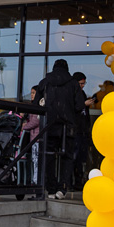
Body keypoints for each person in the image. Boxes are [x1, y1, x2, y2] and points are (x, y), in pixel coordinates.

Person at [35, 59, 86, 199]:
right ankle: (62, 188)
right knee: (67, 157)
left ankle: (51, 188)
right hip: (67, 127)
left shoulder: (44, 82)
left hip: (49, 126)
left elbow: (36, 104)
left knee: (48, 156)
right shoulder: (73, 84)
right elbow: (79, 106)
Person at [72, 71, 94, 190]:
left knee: (81, 157)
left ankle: (79, 180)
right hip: (76, 130)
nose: (82, 86)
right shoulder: (71, 93)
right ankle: (73, 181)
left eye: (84, 84)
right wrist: (84, 104)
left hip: (83, 129)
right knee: (75, 157)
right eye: (81, 83)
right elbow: (72, 108)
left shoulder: (82, 93)